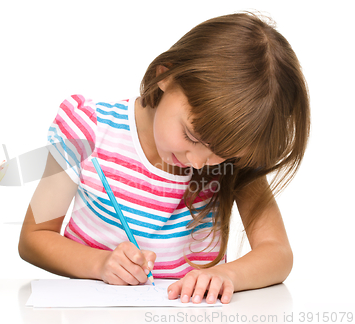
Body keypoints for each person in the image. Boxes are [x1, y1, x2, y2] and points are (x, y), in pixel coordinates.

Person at [18, 11, 310, 305]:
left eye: (220, 154)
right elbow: (34, 237)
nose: (197, 162)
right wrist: (100, 264)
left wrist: (229, 275)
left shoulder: (233, 157)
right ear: (165, 77)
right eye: (192, 136)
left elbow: (277, 253)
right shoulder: (87, 129)